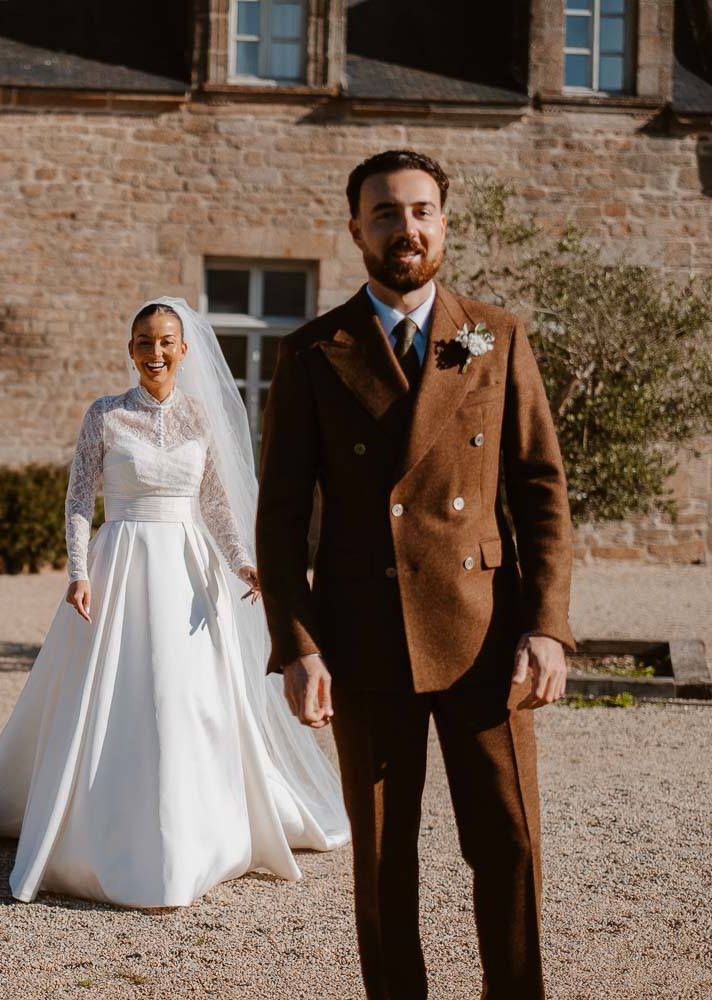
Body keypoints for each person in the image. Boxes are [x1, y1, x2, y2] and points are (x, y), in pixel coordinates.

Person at [0, 297, 349, 908]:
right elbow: (79, 499)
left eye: (165, 342)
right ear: (130, 351)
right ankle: (102, 829)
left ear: (184, 350)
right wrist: (78, 571)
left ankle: (199, 832)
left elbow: (216, 507)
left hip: (187, 573)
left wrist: (242, 562)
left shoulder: (201, 419)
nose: (155, 353)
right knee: (118, 695)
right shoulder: (104, 415)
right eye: (144, 342)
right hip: (120, 565)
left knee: (188, 700)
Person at [256, 149, 575, 998]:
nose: (408, 229)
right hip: (364, 639)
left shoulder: (495, 335)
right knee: (385, 856)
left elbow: (541, 488)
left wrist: (546, 625)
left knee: (507, 841)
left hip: (486, 632)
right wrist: (297, 644)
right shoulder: (313, 352)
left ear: (445, 222)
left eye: (422, 211)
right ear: (356, 226)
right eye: (387, 213)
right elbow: (280, 517)